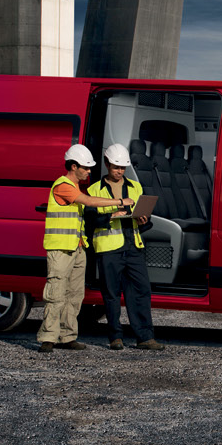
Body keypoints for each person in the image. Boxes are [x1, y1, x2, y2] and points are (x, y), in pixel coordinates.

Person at [38, 144, 122, 354]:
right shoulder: (63, 185)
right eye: (85, 167)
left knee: (75, 295)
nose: (89, 171)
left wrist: (112, 215)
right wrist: (119, 201)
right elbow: (88, 201)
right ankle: (48, 338)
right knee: (56, 293)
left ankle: (67, 336)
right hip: (60, 249)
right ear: (73, 166)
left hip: (76, 248)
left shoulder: (75, 188)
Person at [87, 143, 161, 351]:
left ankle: (145, 337)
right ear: (106, 164)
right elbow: (90, 221)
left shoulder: (135, 187)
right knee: (111, 294)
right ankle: (115, 337)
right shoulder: (94, 190)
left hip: (133, 246)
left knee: (141, 291)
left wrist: (143, 220)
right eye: (115, 167)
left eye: (122, 168)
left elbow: (144, 218)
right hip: (109, 248)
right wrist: (112, 215)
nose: (119, 171)